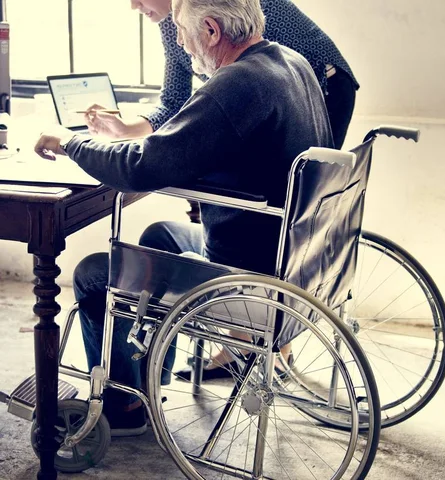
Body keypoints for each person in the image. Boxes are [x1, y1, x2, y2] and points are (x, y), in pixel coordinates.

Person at [35, 0, 333, 436]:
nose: (177, 40)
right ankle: (146, 383)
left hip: (246, 275)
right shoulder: (290, 62)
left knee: (93, 273)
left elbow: (141, 166)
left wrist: (71, 143)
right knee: (159, 235)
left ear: (211, 31)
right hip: (291, 256)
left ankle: (123, 409)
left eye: (180, 28)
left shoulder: (237, 84)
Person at [87, 0, 358, 149]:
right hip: (274, 97)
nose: (134, 5)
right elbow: (173, 101)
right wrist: (126, 129)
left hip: (327, 84)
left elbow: (266, 78)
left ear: (211, 29)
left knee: (306, 189)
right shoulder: (172, 27)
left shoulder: (224, 7)